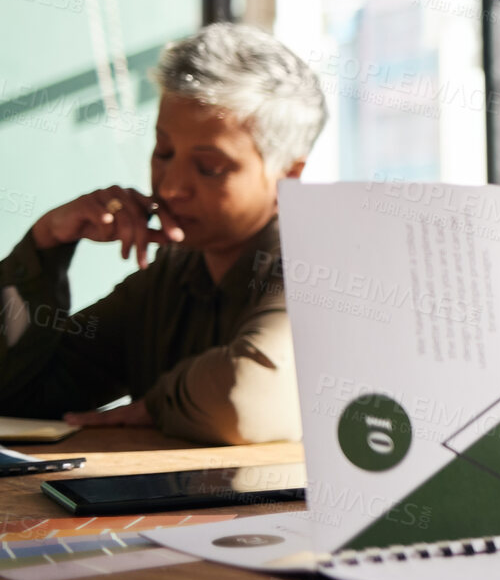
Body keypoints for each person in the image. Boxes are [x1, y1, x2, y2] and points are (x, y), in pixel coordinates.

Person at [0, 23, 327, 444]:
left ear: (288, 176)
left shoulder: (316, 263)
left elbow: (245, 401)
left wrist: (156, 405)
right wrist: (44, 247)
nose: (170, 186)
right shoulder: (170, 280)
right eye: (163, 152)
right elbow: (17, 396)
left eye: (209, 168)